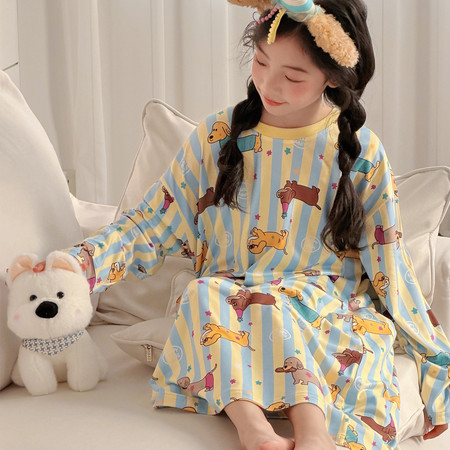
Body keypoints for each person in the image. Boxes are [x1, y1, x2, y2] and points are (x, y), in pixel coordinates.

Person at [63, 1, 449, 448]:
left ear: (333, 77)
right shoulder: (218, 136)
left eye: (293, 76)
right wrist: (77, 266)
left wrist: (434, 364)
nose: (268, 84)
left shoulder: (363, 154)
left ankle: (313, 432)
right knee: (202, 293)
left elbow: (391, 267)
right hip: (230, 309)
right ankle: (256, 431)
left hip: (325, 316)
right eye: (262, 62)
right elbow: (150, 225)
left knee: (265, 303)